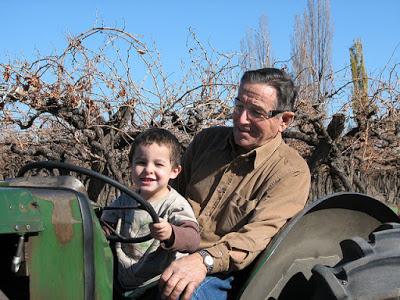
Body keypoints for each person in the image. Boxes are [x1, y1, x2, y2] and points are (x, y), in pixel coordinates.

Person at [159, 67, 311, 300]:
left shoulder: (290, 172)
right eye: (239, 106)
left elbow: (256, 236)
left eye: (256, 112)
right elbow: (168, 197)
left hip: (224, 271)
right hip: (173, 247)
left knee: (182, 295)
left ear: (285, 120)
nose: (241, 119)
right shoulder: (205, 143)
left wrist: (203, 260)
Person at [101, 128, 200, 297]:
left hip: (156, 284)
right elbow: (104, 226)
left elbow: (193, 239)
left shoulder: (174, 204)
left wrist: (171, 233)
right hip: (120, 277)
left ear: (174, 171)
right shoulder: (125, 199)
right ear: (130, 165)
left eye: (158, 164)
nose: (148, 170)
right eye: (141, 162)